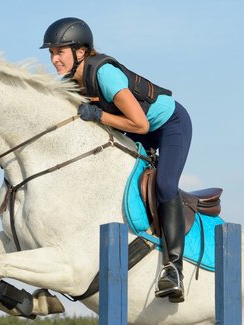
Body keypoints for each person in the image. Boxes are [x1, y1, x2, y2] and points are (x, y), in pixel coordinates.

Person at [41, 17, 192, 303]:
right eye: (51, 53)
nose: (54, 59)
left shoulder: (105, 75)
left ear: (81, 52)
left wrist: (98, 115)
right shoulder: (70, 83)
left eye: (59, 51)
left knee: (165, 185)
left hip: (168, 126)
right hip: (136, 130)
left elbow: (141, 125)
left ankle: (174, 269)